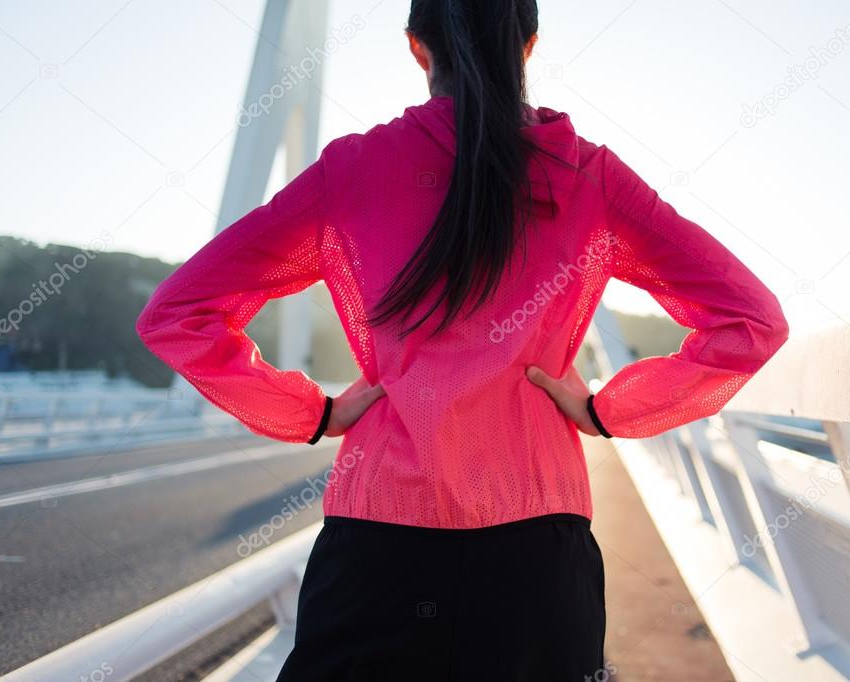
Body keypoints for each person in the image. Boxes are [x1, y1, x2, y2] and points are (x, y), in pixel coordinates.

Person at [135, 1, 790, 679]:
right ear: (528, 46)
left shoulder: (352, 169)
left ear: (418, 47)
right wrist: (605, 409)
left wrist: (314, 413)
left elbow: (177, 313)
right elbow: (750, 321)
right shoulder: (588, 176)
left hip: (378, 544)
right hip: (537, 550)